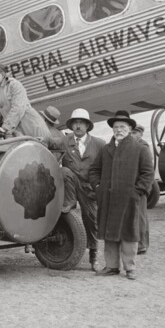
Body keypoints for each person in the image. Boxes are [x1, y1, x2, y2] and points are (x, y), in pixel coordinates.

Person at [89, 110, 153, 280]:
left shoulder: (140, 149)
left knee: (128, 233)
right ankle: (111, 266)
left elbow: (147, 174)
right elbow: (94, 170)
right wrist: (98, 187)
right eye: (116, 127)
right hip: (108, 199)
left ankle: (130, 268)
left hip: (129, 200)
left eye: (122, 127)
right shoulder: (106, 149)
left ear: (130, 128)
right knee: (109, 234)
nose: (118, 130)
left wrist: (137, 192)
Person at [43, 109, 105, 271]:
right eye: (75, 123)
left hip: (90, 188)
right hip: (71, 184)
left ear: (87, 126)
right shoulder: (65, 140)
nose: (78, 126)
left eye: (81, 123)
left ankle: (93, 255)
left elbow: (106, 165)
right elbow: (48, 142)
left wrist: (100, 185)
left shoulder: (99, 144)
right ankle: (69, 202)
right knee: (64, 171)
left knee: (92, 220)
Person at [0, 63, 50, 138]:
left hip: (34, 130)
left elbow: (17, 108)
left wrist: (5, 128)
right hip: (20, 133)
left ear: (3, 74)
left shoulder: (14, 85)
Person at [131, 124, 153, 255]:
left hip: (139, 188)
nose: (133, 135)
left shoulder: (143, 147)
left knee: (140, 217)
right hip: (135, 187)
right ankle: (137, 243)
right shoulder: (133, 145)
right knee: (137, 216)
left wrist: (141, 188)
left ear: (140, 134)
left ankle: (142, 244)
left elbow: (147, 171)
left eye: (135, 132)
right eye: (132, 132)